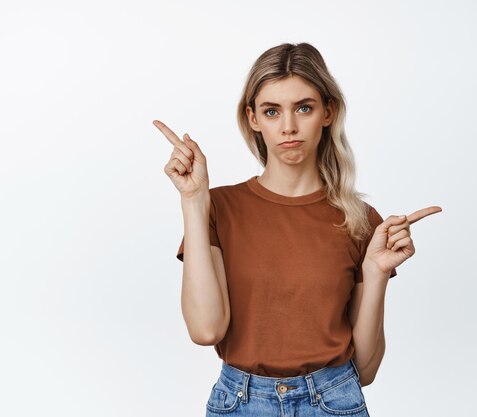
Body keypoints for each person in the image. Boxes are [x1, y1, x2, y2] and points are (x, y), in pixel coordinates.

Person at [155, 42, 442, 416]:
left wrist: (376, 272)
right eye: (272, 111)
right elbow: (206, 331)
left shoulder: (360, 219)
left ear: (328, 111)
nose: (288, 126)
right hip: (240, 403)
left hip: (333, 402)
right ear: (253, 118)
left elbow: (366, 371)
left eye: (303, 108)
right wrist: (193, 200)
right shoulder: (217, 208)